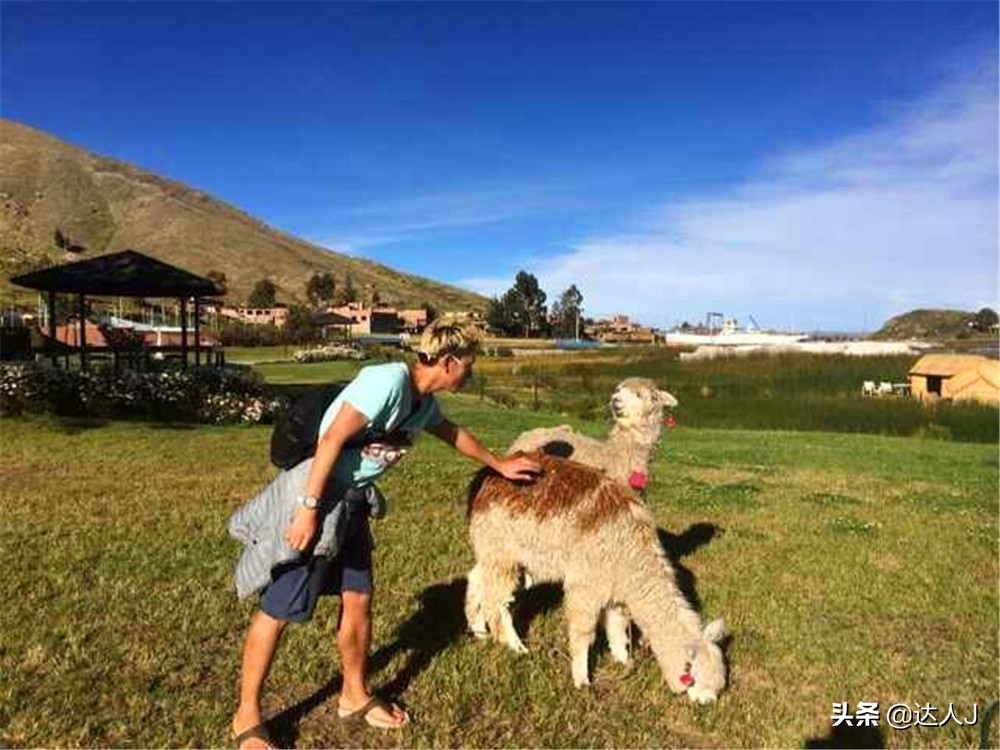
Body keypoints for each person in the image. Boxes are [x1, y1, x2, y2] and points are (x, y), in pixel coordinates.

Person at [228, 320, 540, 749]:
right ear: (449, 363)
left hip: (353, 502)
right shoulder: (388, 382)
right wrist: (308, 510)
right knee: (280, 606)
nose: (470, 373)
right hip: (317, 497)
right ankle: (246, 715)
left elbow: (453, 434)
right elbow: (332, 439)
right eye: (469, 365)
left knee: (358, 599)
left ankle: (353, 694)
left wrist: (498, 463)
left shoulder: (422, 402)